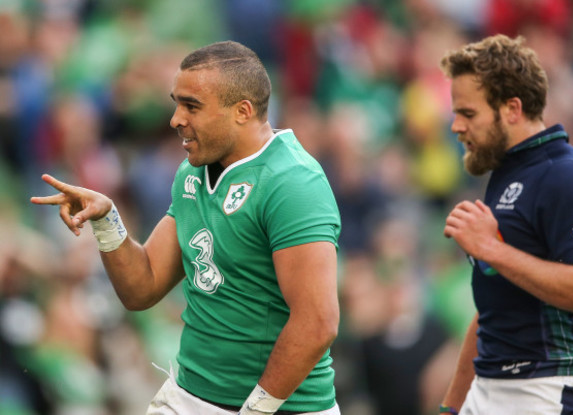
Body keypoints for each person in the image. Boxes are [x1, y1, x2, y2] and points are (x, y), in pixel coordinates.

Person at [31, 41, 342, 415]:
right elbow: (141, 289)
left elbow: (317, 322)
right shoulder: (192, 171)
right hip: (189, 396)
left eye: (191, 106)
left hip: (278, 407)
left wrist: (255, 410)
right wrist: (107, 220)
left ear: (242, 111)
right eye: (176, 102)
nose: (175, 118)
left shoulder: (292, 183)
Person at [437, 34, 573, 415]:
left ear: (512, 109)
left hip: (547, 390)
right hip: (490, 389)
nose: (455, 126)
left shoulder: (567, 174)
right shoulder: (507, 173)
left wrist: (492, 249)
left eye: (468, 114)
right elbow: (493, 310)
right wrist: (451, 407)